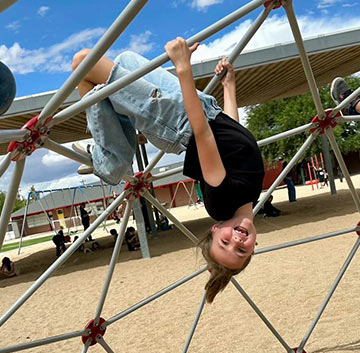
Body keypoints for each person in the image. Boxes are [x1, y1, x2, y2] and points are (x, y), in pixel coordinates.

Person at [72, 38, 264, 303]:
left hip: (174, 119)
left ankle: (107, 159)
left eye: (225, 243)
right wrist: (230, 88)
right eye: (241, 251)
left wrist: (184, 67)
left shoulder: (223, 203)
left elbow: (204, 134)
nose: (237, 241)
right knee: (121, 61)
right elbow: (232, 136)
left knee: (84, 62)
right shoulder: (249, 195)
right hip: (199, 107)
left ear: (216, 229)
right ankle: (111, 146)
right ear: (253, 248)